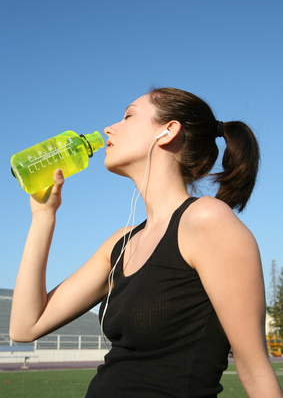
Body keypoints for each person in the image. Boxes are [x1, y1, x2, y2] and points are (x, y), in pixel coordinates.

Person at [10, 88, 282, 398]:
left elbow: (255, 369)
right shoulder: (121, 242)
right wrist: (44, 217)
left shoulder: (207, 221)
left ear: (168, 131)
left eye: (128, 116)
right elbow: (25, 327)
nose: (109, 128)